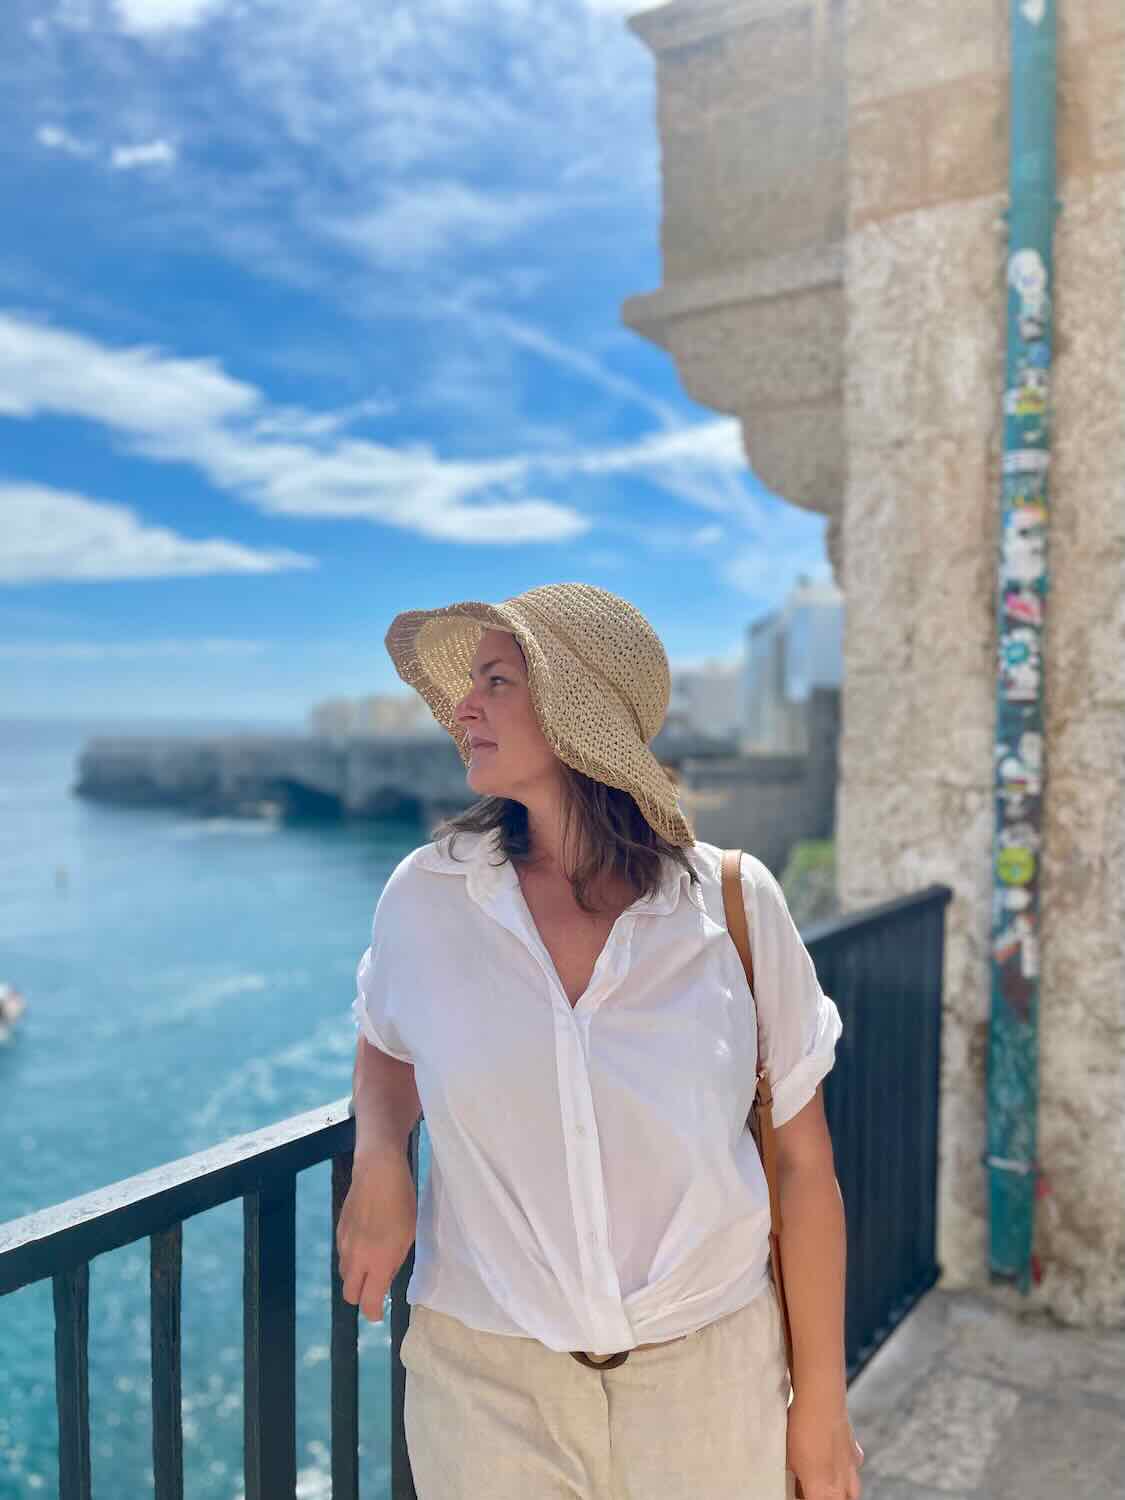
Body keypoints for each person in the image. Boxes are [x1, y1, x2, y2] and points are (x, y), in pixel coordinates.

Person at [338, 583, 864, 1500]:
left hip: (710, 1379)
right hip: (485, 1391)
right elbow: (386, 1034)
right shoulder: (427, 896)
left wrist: (819, 1407)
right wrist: (381, 1153)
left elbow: (802, 1169)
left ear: (577, 711)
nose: (463, 707)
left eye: (496, 681)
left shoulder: (734, 908)